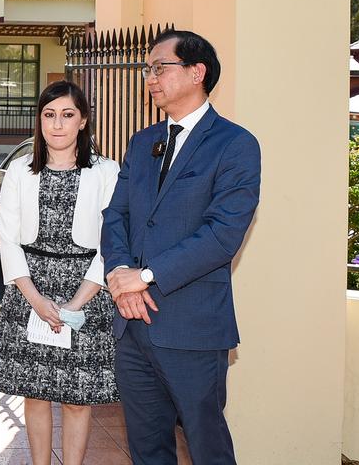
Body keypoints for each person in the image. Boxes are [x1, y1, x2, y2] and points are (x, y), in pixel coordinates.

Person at [101, 29, 260, 465]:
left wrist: (146, 276)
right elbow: (117, 216)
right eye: (148, 70)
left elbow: (222, 234)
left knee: (207, 447)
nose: (150, 78)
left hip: (193, 328)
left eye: (160, 68)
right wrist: (119, 276)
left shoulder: (235, 145)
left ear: (197, 72)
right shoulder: (142, 141)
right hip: (132, 326)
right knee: (147, 449)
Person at [0, 80, 121, 464]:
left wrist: (75, 304)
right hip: (31, 289)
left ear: (83, 121)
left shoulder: (106, 172)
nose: (57, 124)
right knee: (35, 392)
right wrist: (36, 300)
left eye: (67, 115)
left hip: (87, 289)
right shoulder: (19, 172)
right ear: (39, 121)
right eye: (49, 115)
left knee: (78, 398)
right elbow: (8, 240)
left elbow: (112, 243)